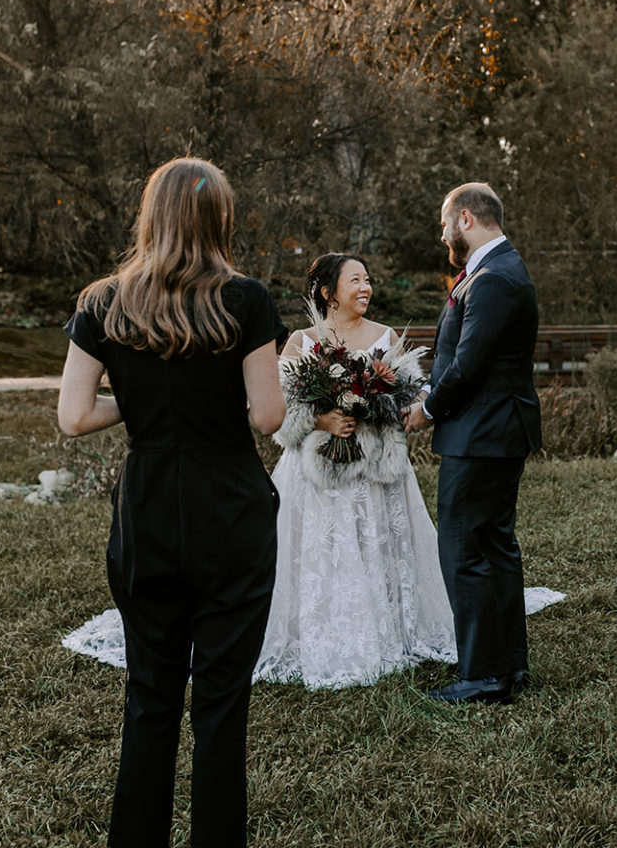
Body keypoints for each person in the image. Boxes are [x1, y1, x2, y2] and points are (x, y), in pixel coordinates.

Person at [57, 157, 287, 848]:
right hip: (231, 512)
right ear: (220, 217)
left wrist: (141, 404)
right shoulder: (246, 300)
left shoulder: (102, 302)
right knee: (221, 703)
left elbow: (74, 416)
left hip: (149, 510)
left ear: (150, 215)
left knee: (149, 696)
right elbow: (268, 417)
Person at [253, 253, 457, 689]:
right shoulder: (301, 342)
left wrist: (382, 408)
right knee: (316, 550)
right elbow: (278, 414)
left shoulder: (386, 337)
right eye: (356, 281)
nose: (366, 288)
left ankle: (387, 624)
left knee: (376, 543)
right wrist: (321, 420)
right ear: (329, 293)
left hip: (375, 470)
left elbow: (410, 399)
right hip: (315, 475)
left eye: (368, 280)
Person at [402, 182, 541, 705]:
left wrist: (427, 409)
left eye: (445, 224)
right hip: (493, 429)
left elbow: (468, 364)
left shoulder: (494, 277)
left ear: (465, 218)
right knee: (494, 546)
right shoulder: (496, 269)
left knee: (464, 550)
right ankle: (508, 665)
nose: (443, 235)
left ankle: (483, 674)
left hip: (483, 432)